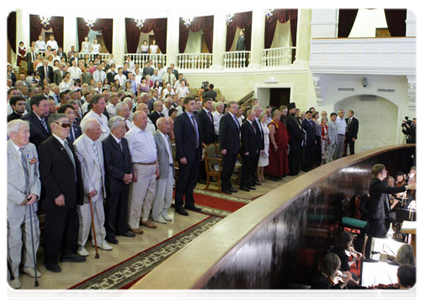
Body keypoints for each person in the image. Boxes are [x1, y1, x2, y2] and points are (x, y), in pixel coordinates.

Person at [39, 113, 86, 273]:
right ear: (54, 126)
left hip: (71, 193)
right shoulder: (46, 146)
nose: (69, 128)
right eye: (65, 125)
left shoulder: (68, 143)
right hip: (58, 196)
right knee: (55, 229)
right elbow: (45, 174)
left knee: (72, 225)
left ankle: (68, 253)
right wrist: (56, 194)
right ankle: (50, 260)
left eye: (69, 125)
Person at [5, 120, 42, 289]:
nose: (29, 135)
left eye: (28, 131)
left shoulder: (31, 147)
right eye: (25, 132)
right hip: (11, 204)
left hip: (31, 201)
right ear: (13, 135)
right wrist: (20, 198)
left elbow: (36, 174)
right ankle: (12, 273)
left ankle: (29, 265)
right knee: (14, 239)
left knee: (32, 233)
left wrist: (35, 192)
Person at [73, 118, 112, 256]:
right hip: (87, 189)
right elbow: (82, 170)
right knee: (85, 219)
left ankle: (100, 239)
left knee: (100, 215)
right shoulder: (79, 144)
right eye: (98, 129)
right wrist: (88, 188)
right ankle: (80, 244)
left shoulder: (99, 142)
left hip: (99, 185)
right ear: (89, 131)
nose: (101, 132)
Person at [365, 164, 419, 258]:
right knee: (373, 237)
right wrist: (408, 187)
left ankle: (374, 255)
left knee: (378, 236)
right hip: (376, 214)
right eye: (385, 170)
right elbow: (390, 190)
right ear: (380, 173)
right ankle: (369, 257)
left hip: (380, 214)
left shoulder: (379, 182)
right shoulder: (376, 183)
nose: (386, 172)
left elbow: (389, 191)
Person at [102, 116, 135, 244]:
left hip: (126, 180)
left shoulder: (125, 141)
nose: (125, 129)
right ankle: (110, 234)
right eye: (122, 127)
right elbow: (108, 165)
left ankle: (122, 229)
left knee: (123, 206)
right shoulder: (106, 143)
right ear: (114, 128)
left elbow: (128, 160)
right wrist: (122, 176)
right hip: (114, 181)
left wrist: (130, 173)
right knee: (112, 209)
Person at [125, 111, 159, 233]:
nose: (146, 120)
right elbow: (128, 155)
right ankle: (133, 223)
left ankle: (144, 218)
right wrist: (132, 170)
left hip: (151, 166)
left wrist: (157, 166)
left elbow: (153, 151)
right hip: (140, 167)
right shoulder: (131, 134)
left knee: (150, 194)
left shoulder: (149, 133)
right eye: (143, 118)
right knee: (137, 197)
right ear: (135, 120)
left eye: (146, 118)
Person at [174, 97, 203, 215]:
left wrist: (200, 152)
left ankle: (190, 203)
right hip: (186, 155)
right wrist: (181, 155)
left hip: (195, 153)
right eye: (191, 104)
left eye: (194, 104)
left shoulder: (196, 117)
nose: (194, 106)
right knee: (183, 180)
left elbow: (199, 136)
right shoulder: (180, 119)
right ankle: (178, 205)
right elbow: (179, 139)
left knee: (192, 180)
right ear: (185, 105)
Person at [152, 117, 175, 223]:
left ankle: (165, 212)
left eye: (169, 124)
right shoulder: (155, 136)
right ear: (159, 125)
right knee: (160, 193)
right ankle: (157, 214)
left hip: (169, 167)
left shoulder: (167, 137)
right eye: (166, 124)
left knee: (168, 192)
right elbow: (155, 154)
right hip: (161, 168)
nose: (168, 126)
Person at [219, 101, 240, 194]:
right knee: (227, 167)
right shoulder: (225, 118)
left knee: (231, 167)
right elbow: (222, 134)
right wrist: (222, 147)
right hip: (227, 147)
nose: (235, 109)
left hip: (234, 147)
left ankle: (229, 184)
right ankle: (224, 186)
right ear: (228, 108)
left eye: (236, 107)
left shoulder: (235, 118)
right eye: (233, 107)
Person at [265, 109, 290, 180]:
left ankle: (279, 173)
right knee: (275, 162)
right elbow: (271, 135)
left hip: (282, 146)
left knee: (281, 160)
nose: (280, 116)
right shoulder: (272, 124)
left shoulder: (280, 123)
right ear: (274, 116)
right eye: (278, 114)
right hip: (276, 146)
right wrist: (275, 144)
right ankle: (273, 175)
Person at [196, 98, 215, 184]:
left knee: (208, 160)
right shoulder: (201, 114)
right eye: (209, 103)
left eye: (211, 103)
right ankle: (201, 177)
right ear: (204, 104)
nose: (211, 104)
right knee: (202, 160)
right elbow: (200, 129)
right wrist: (201, 141)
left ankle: (208, 176)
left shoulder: (210, 114)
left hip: (210, 140)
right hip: (204, 141)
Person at [240, 110, 259, 191]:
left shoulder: (253, 124)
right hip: (247, 150)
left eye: (255, 115)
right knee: (246, 168)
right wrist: (246, 150)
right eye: (253, 115)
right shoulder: (245, 125)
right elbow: (244, 139)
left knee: (251, 168)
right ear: (248, 115)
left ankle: (249, 183)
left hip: (253, 149)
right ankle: (243, 184)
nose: (255, 117)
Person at [285, 102, 304, 176]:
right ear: (289, 110)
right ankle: (292, 171)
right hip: (293, 140)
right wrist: (299, 135)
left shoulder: (295, 118)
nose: (294, 111)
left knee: (297, 155)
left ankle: (296, 169)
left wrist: (301, 134)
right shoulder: (288, 119)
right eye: (293, 109)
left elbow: (299, 127)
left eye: (295, 109)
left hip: (297, 140)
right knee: (292, 156)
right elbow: (293, 130)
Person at [257, 113, 270, 182]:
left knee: (264, 161)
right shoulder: (260, 125)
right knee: (260, 160)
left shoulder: (265, 125)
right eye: (264, 117)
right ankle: (258, 174)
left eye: (266, 117)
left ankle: (262, 173)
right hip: (262, 143)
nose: (265, 119)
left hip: (267, 143)